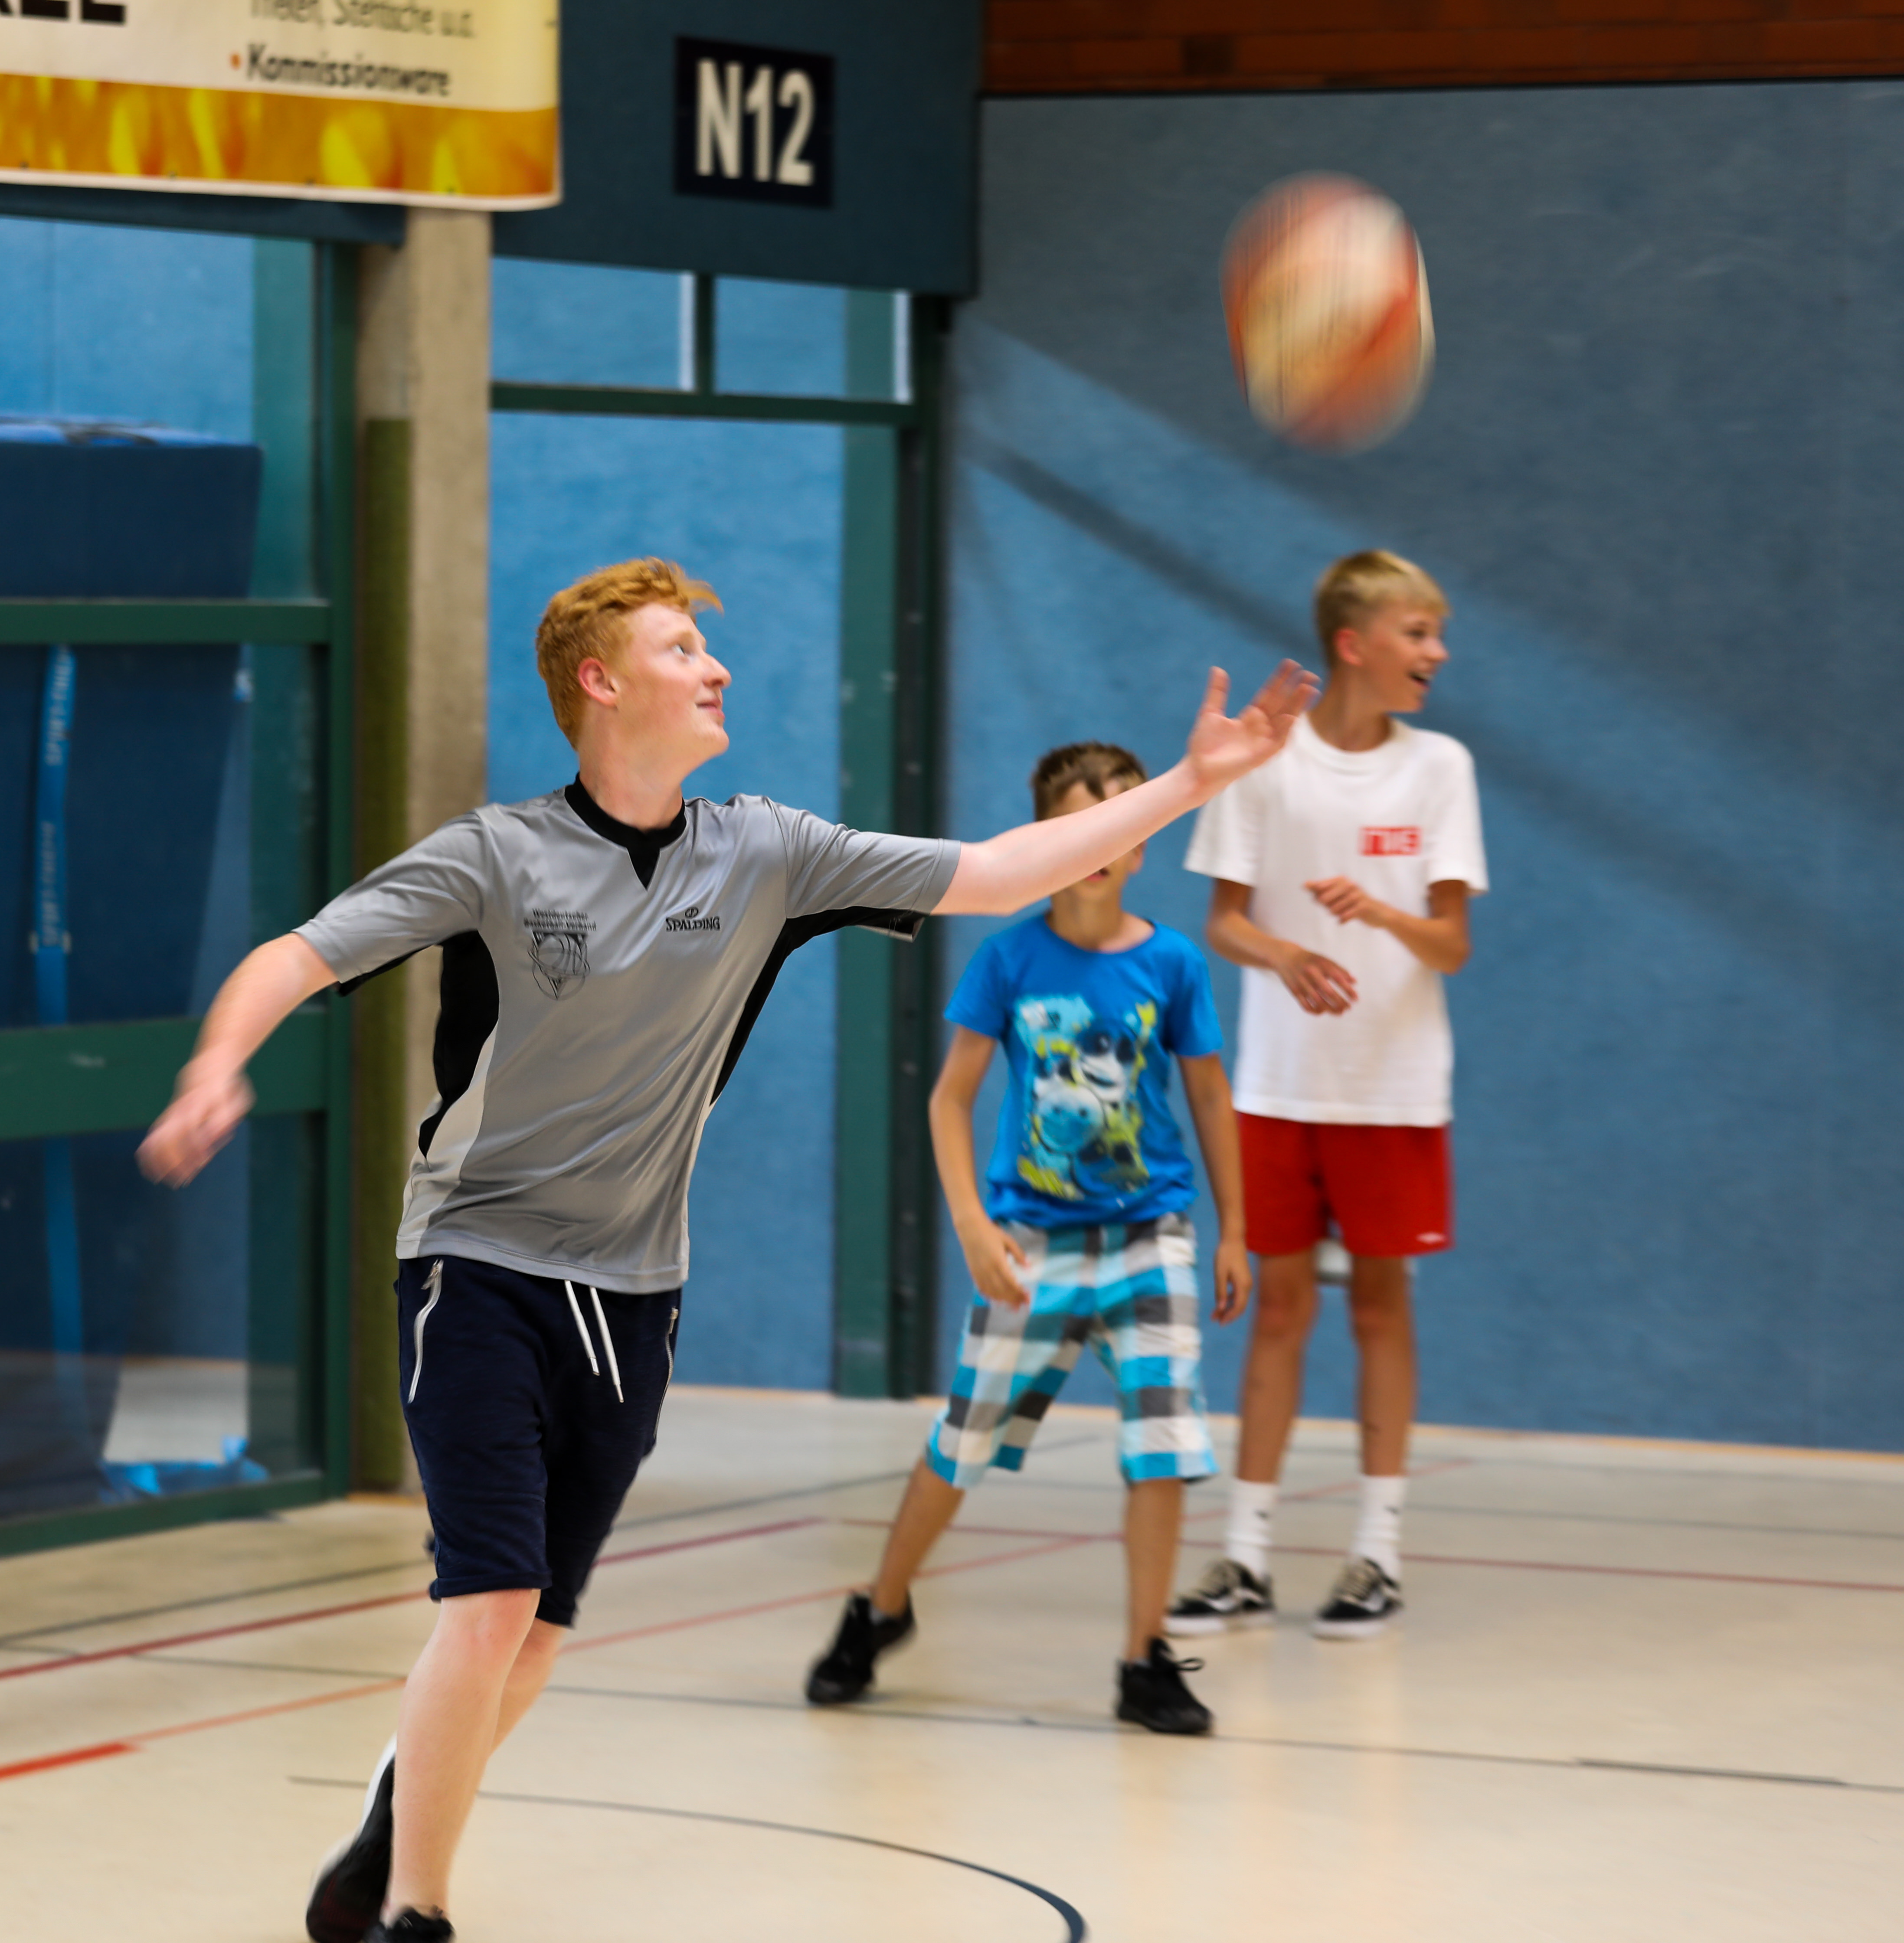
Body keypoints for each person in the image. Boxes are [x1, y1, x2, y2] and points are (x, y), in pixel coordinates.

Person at [136, 556, 1314, 1943]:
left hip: (638, 1290)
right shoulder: (496, 856)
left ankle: (406, 1803)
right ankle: (416, 1911)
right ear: (601, 681)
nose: (718, 669)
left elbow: (999, 873)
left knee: (538, 1634)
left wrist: (1191, 783)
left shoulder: (767, 852)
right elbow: (298, 954)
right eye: (684, 649)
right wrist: (217, 1064)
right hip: (478, 1263)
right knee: (493, 1598)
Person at [804, 741, 1253, 1736]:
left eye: (1117, 821)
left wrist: (1236, 1230)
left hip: (1151, 1237)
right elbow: (949, 1098)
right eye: (1076, 824)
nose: (1098, 844)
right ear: (1048, 838)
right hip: (1032, 1245)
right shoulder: (1006, 957)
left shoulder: (1172, 962)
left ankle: (1143, 1657)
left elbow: (1211, 1098)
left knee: (1162, 1443)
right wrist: (971, 1220)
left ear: (1140, 838)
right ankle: (879, 1606)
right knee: (961, 1441)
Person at [1165, 550, 1486, 1644]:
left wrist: (1384, 915)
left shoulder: (1439, 767)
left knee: (1379, 1308)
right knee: (1278, 1309)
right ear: (1354, 643)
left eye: (1435, 633)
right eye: (1417, 633)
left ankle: (1376, 1553)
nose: (1436, 652)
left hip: (1393, 1089)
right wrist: (1287, 954)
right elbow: (1224, 922)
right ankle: (1245, 1555)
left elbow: (1450, 945)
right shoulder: (1269, 760)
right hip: (1278, 1086)